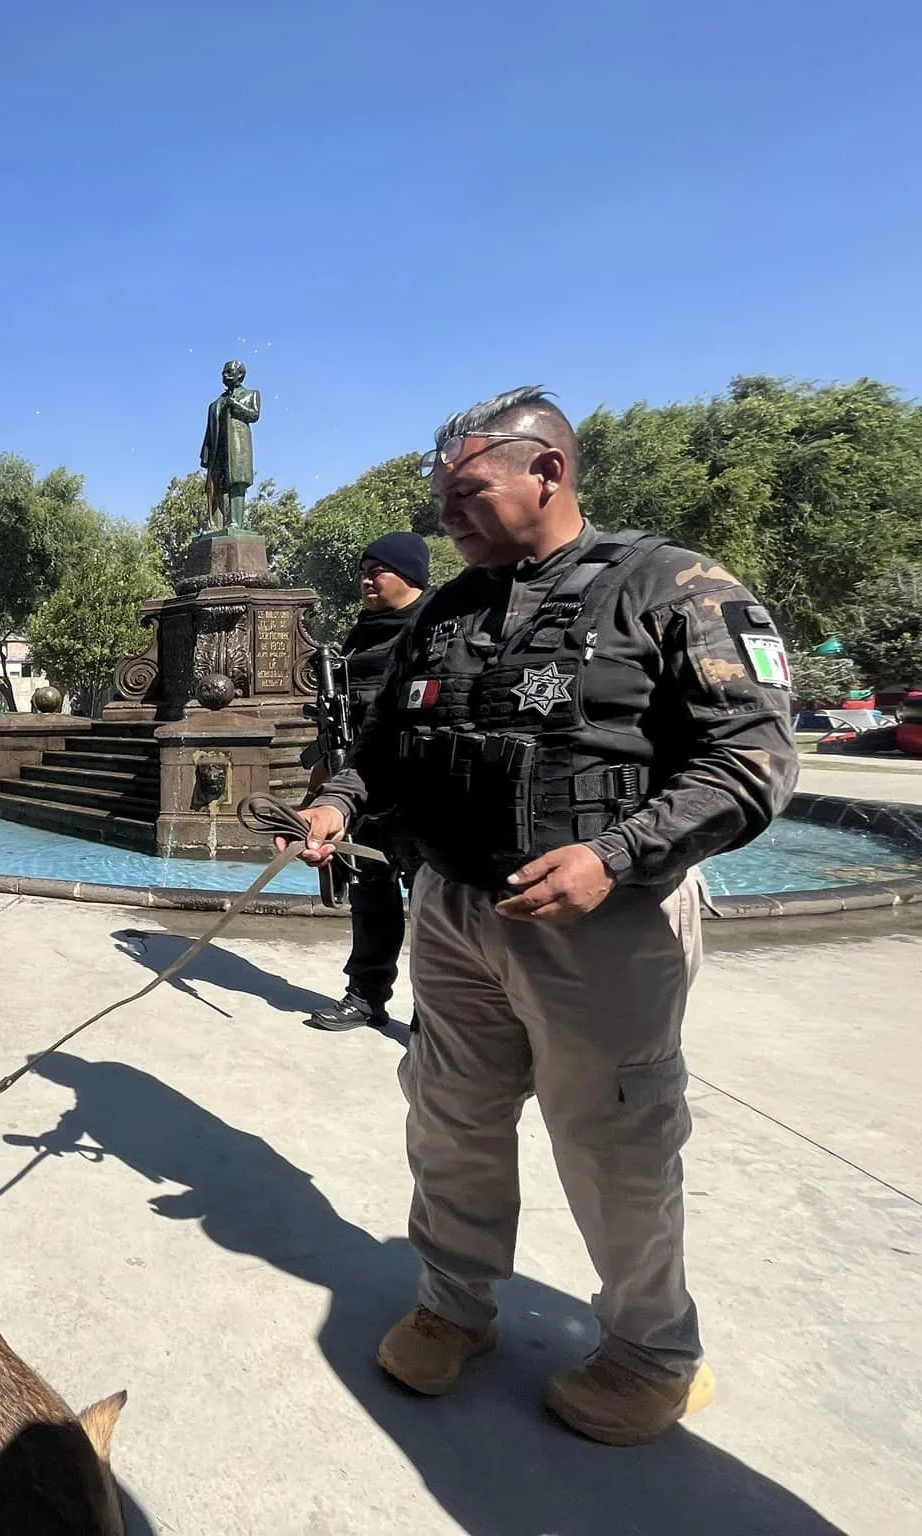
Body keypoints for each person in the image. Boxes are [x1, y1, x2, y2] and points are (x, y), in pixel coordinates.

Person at [286, 387, 799, 1446]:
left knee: (616, 1141)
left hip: (600, 923)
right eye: (439, 497)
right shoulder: (443, 610)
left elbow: (751, 763)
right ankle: (453, 1305)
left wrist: (614, 856)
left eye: (466, 492)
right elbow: (380, 742)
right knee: (449, 1117)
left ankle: (650, 1352)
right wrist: (338, 798)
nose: (445, 518)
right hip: (454, 910)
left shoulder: (671, 587)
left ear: (546, 474)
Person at [305, 531, 431, 1033]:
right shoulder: (360, 637)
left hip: (423, 794)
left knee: (435, 910)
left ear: (410, 575)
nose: (365, 578)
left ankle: (436, 1013)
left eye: (377, 569)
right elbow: (339, 720)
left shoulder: (441, 627)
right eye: (364, 569)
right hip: (362, 788)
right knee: (371, 897)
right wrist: (322, 784)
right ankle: (366, 995)